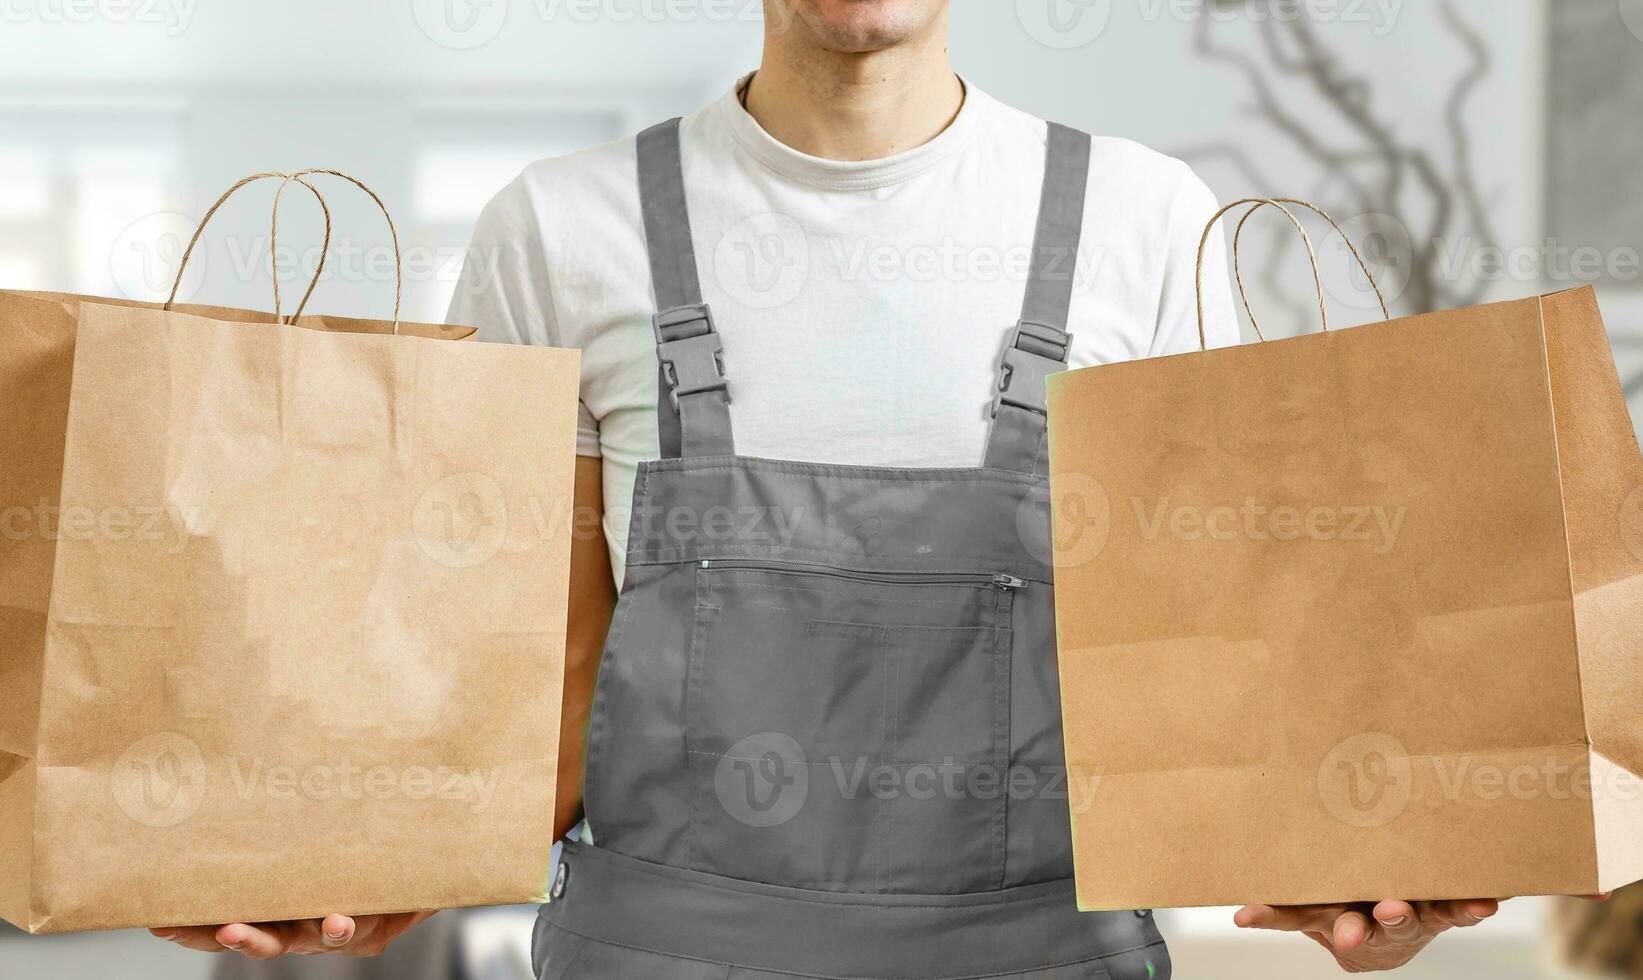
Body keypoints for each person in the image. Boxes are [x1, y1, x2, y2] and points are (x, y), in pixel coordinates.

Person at [151, 0, 1529, 974]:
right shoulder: (558, 229)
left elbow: (1225, 683)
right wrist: (326, 856)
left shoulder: (1147, 222)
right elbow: (539, 680)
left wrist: (1366, 884)